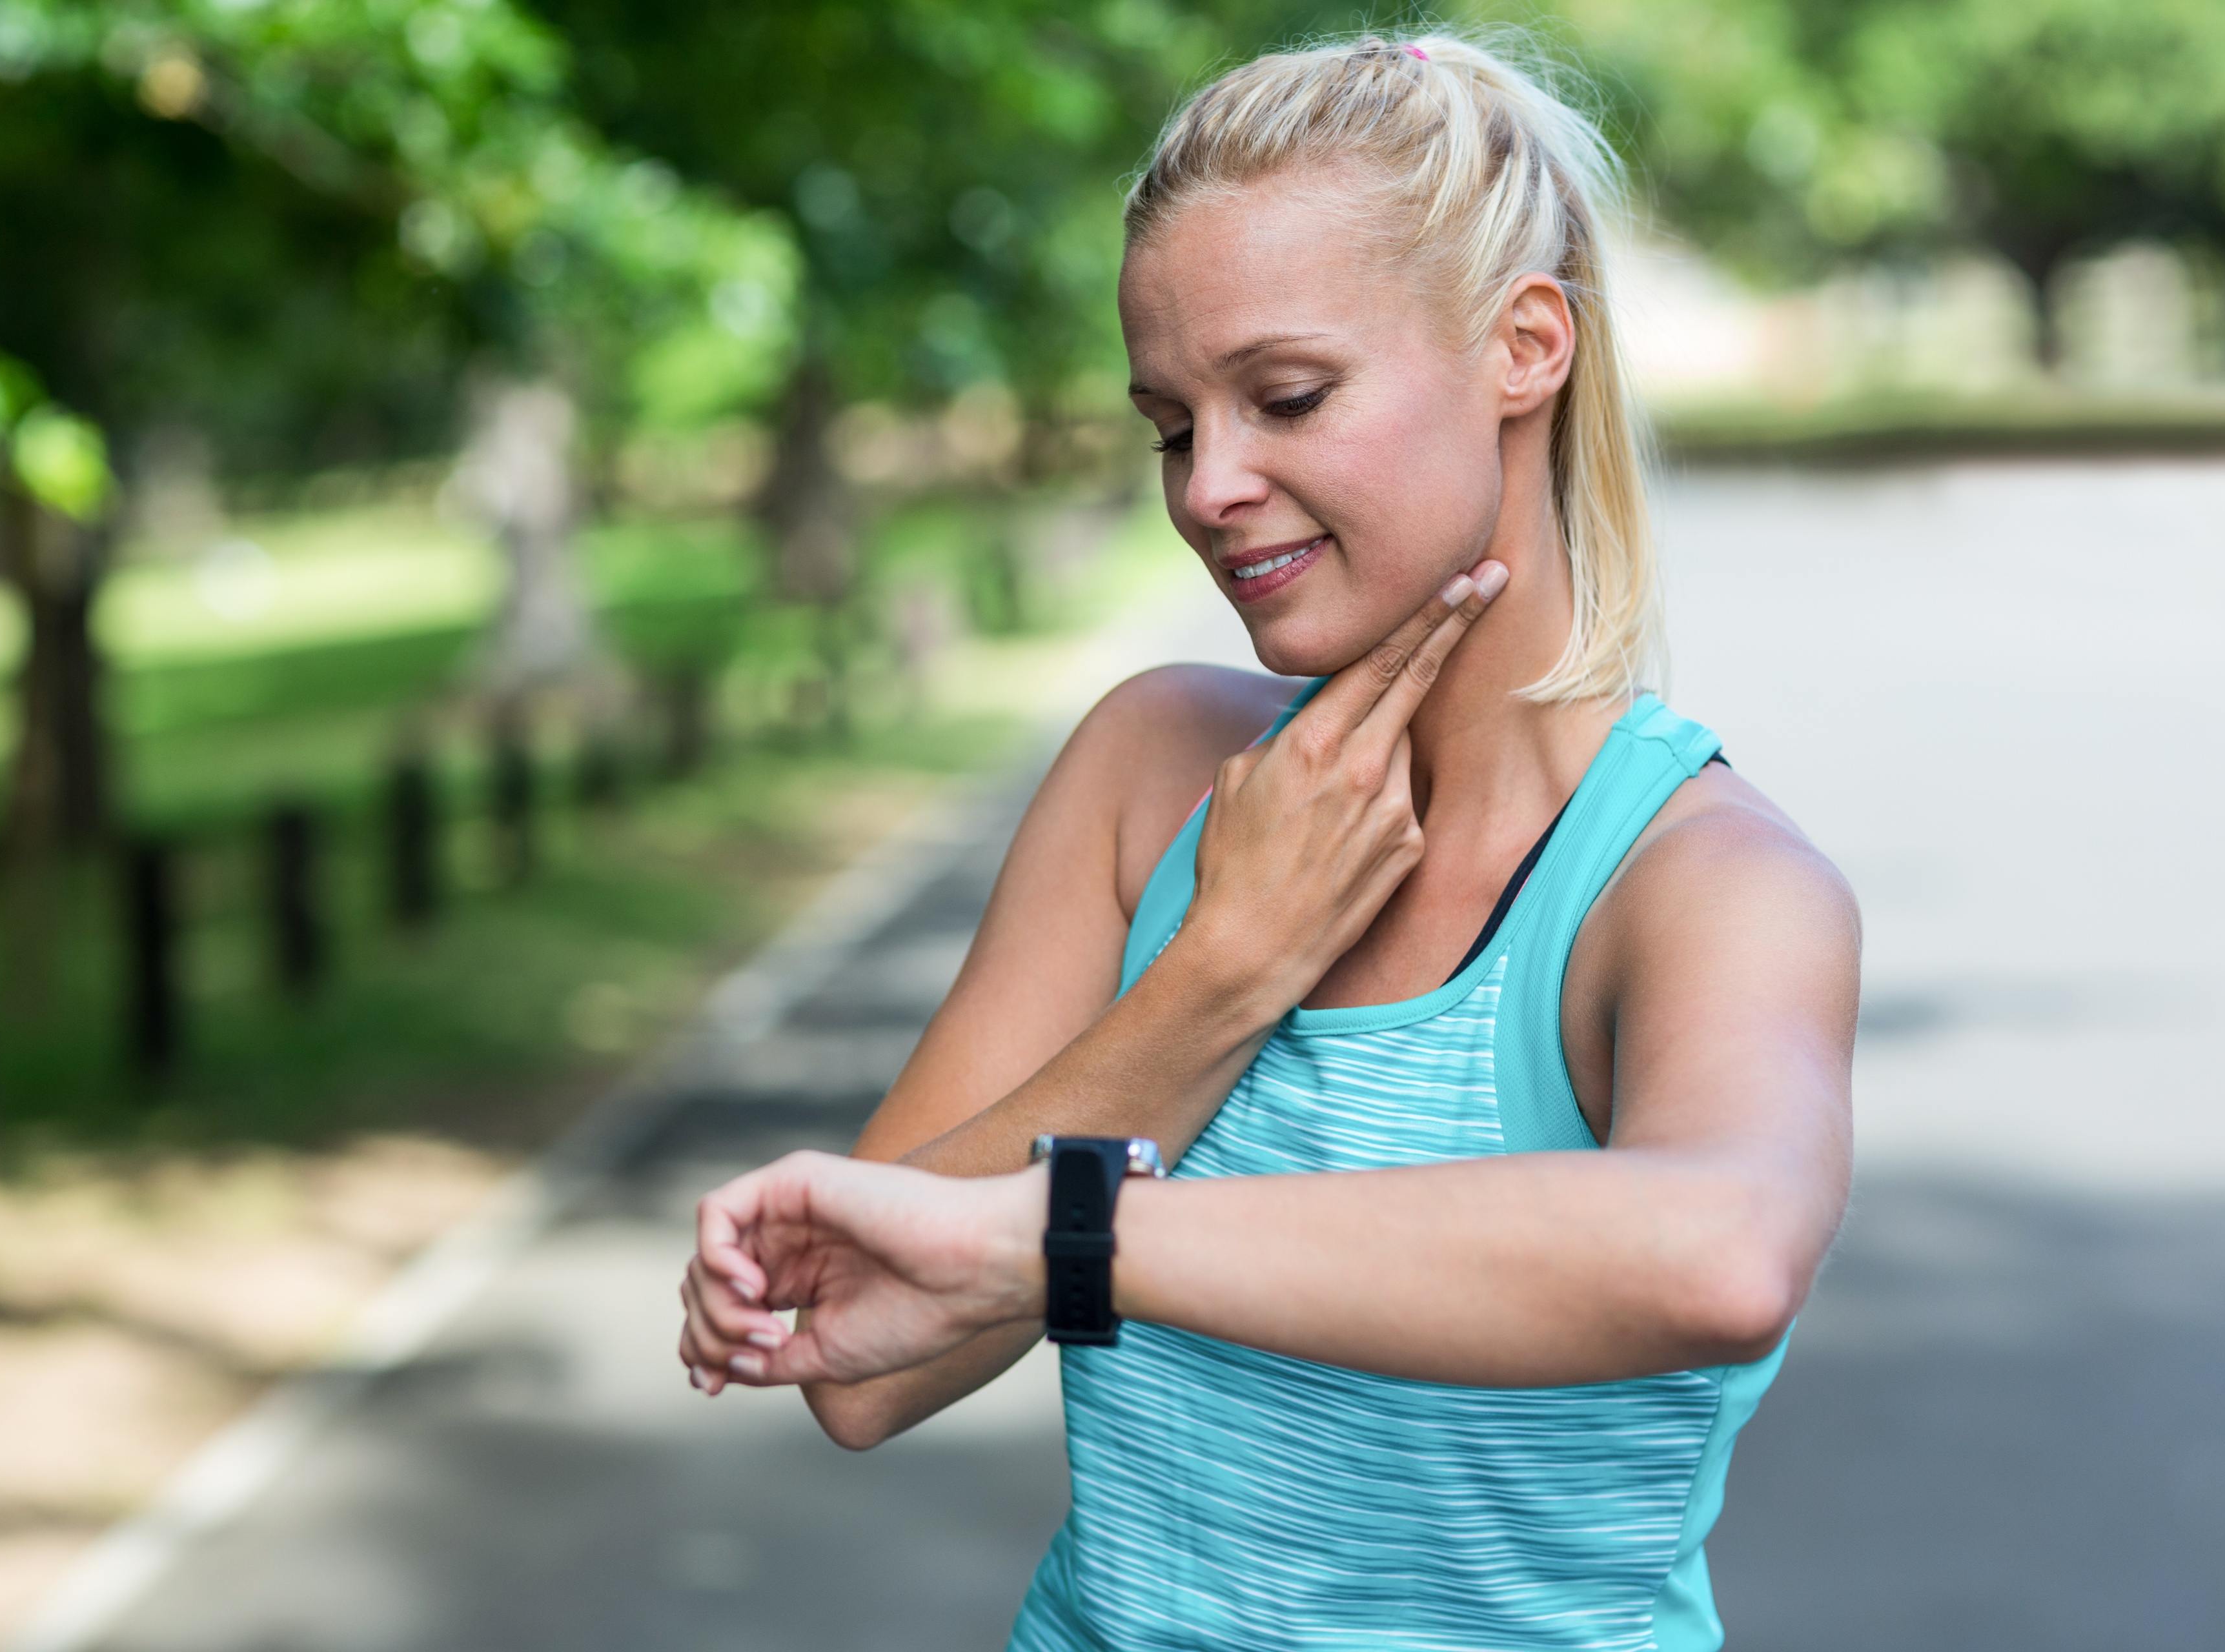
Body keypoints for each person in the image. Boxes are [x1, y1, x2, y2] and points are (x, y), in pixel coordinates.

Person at [678, 25, 1857, 1651]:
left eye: (1287, 396)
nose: (1211, 485)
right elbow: (859, 1355)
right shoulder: (1151, 768)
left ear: (1524, 347)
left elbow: (1720, 1251)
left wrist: (1068, 1232)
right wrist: (1221, 971)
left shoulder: (1701, 884)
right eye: (1171, 425)